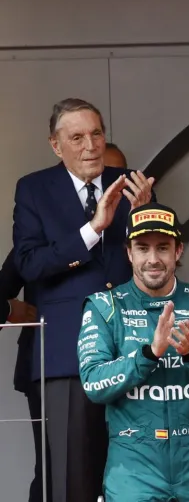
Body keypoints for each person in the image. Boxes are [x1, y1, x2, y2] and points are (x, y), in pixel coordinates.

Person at [12, 97, 154, 502]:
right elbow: (29, 265)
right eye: (77, 137)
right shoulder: (35, 188)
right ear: (56, 145)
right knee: (71, 478)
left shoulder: (131, 182)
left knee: (139, 475)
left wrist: (144, 216)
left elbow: (161, 260)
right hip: (65, 353)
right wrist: (93, 229)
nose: (90, 145)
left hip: (134, 348)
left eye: (96, 134)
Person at [77, 202, 189, 501]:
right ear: (129, 253)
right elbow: (93, 385)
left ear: (178, 251)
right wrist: (148, 354)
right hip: (132, 469)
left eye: (163, 248)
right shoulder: (104, 306)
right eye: (142, 248)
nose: (153, 259)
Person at [0, 140, 128, 502]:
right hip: (57, 362)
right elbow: (17, 272)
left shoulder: (134, 227)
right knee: (62, 476)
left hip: (127, 359)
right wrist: (11, 310)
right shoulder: (46, 232)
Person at [0, 251, 43, 502]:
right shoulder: (37, 227)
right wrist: (5, 308)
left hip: (118, 364)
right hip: (42, 362)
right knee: (50, 466)